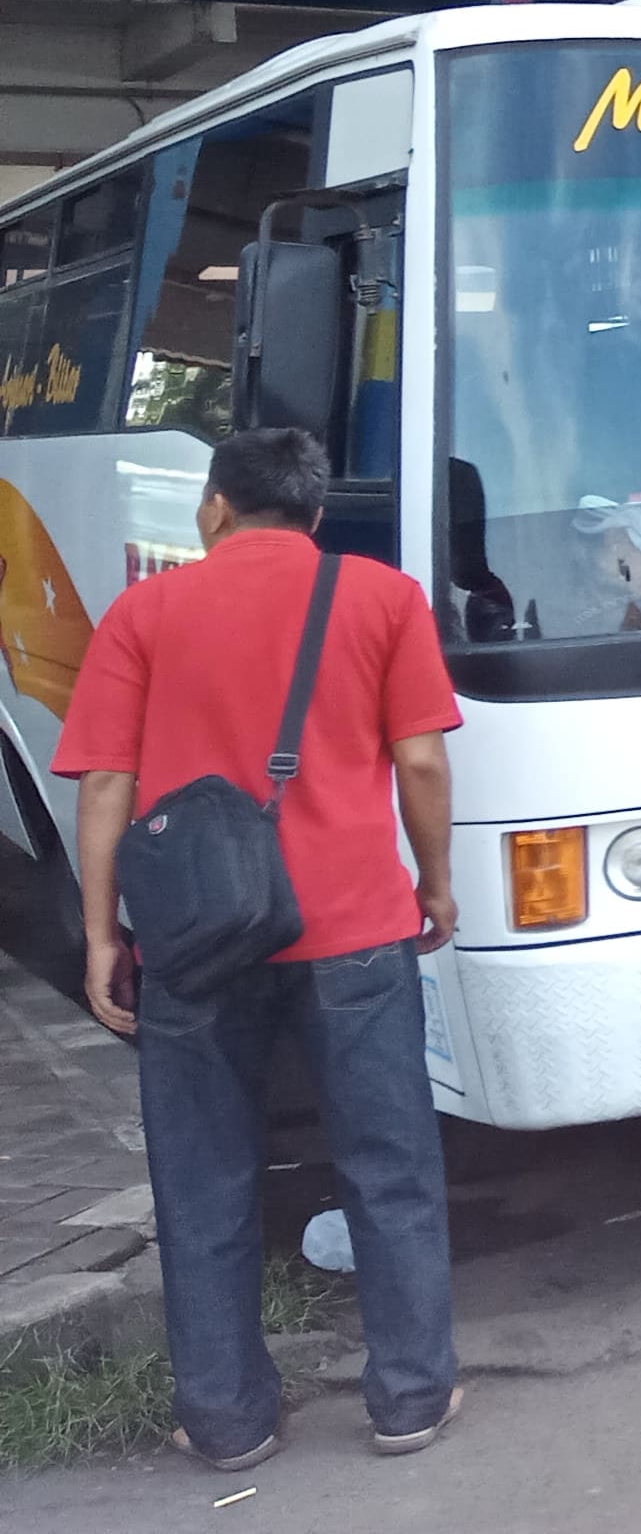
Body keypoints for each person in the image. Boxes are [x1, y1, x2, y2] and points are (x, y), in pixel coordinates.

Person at [55, 427, 465, 1468]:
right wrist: (437, 882)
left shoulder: (146, 612)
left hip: (196, 946)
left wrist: (105, 934)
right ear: (316, 515)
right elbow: (419, 762)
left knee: (204, 1181)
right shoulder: (381, 599)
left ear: (215, 508)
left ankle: (230, 1421)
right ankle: (410, 1399)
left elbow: (105, 784)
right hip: (358, 937)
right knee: (390, 1170)